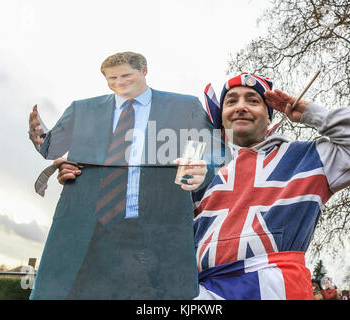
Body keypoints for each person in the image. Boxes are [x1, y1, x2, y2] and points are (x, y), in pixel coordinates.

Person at [28, 51, 216, 299]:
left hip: (158, 234)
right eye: (112, 78)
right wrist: (39, 138)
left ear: (144, 71)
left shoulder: (185, 106)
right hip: (86, 232)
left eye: (126, 76)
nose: (119, 83)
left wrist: (203, 170)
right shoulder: (81, 109)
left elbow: (216, 151)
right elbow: (52, 149)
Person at [192, 72, 350, 300]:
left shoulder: (308, 157)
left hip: (279, 288)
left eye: (253, 100)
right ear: (221, 117)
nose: (241, 107)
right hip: (207, 290)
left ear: (269, 118)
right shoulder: (202, 170)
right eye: (232, 101)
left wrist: (311, 114)